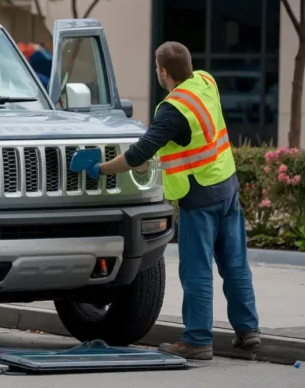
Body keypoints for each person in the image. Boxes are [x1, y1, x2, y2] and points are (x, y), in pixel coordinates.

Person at [69, 41, 261, 360]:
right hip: (227, 186)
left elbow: (137, 156)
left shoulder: (172, 109)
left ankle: (198, 340)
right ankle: (248, 332)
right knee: (235, 264)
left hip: (199, 197)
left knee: (196, 270)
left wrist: (99, 169)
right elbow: (158, 151)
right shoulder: (205, 81)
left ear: (162, 72)